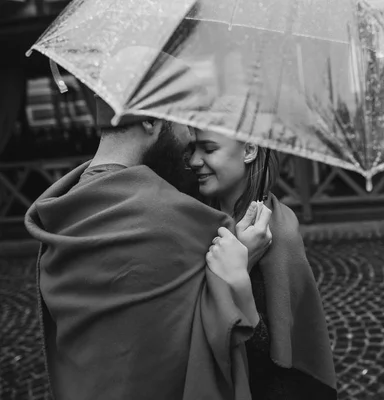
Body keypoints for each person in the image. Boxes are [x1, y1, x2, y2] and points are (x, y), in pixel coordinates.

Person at [24, 84, 272, 400]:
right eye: (183, 123)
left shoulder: (63, 212)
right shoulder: (174, 217)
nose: (188, 145)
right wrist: (242, 262)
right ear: (149, 121)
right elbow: (219, 336)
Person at [188, 128, 338, 399]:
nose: (194, 161)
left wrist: (239, 270)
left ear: (249, 151)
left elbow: (272, 358)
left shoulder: (280, 234)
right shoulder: (193, 217)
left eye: (208, 149)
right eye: (192, 150)